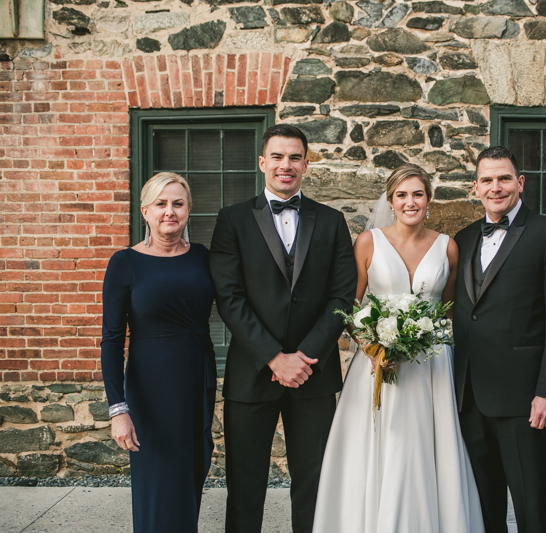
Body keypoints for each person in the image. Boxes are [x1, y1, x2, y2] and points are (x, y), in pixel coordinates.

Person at [312, 163, 484, 533]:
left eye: (418, 194)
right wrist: (375, 347)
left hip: (431, 367)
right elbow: (350, 308)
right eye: (402, 195)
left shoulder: (447, 246)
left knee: (425, 448)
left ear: (429, 199)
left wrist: (420, 336)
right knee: (379, 445)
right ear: (390, 201)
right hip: (376, 364)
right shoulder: (368, 242)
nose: (410, 202)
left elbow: (447, 310)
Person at [208, 124, 357, 533]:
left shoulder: (331, 221)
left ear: (306, 164)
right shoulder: (232, 220)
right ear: (262, 163)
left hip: (315, 373)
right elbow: (229, 297)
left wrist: (304, 358)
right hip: (252, 372)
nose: (285, 165)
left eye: (294, 157)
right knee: (246, 482)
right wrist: (274, 357)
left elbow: (342, 297)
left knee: (314, 483)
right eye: (277, 156)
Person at [453, 146, 546, 533]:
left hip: (526, 398)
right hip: (470, 394)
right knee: (483, 504)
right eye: (488, 180)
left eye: (504, 178)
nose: (496, 187)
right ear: (475, 187)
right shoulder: (462, 238)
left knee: (533, 504)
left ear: (520, 183)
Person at [102, 172, 216, 533]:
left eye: (178, 204)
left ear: (188, 211)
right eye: (161, 204)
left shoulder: (203, 258)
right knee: (158, 483)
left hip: (197, 381)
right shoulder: (125, 262)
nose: (170, 211)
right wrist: (118, 409)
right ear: (145, 211)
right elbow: (111, 340)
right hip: (149, 388)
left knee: (191, 475)